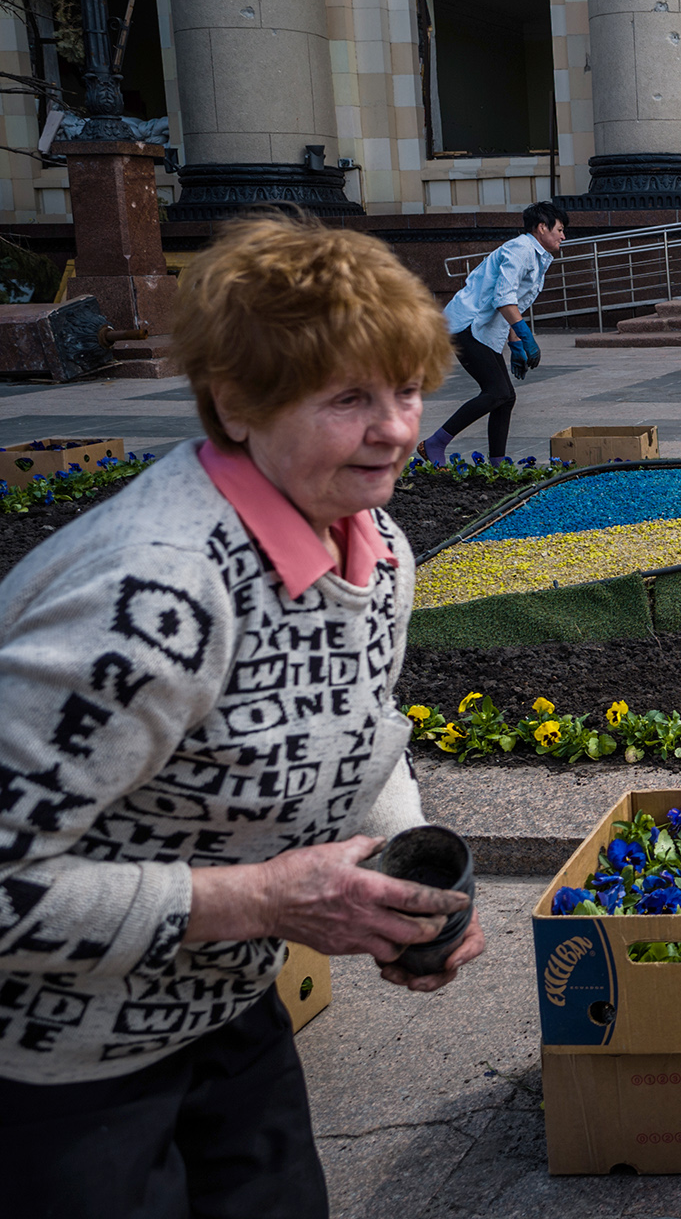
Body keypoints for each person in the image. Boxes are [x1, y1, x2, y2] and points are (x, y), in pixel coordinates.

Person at [0, 217, 485, 1217]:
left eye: (406, 385)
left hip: (224, 1014)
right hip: (54, 1075)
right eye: (349, 397)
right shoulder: (149, 597)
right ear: (235, 401)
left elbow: (364, 721)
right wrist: (264, 901)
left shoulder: (373, 542)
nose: (397, 426)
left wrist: (403, 877)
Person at [420, 199, 568, 466]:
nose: (563, 235)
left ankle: (498, 463)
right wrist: (525, 337)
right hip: (465, 325)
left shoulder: (536, 255)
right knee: (497, 392)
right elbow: (504, 298)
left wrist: (515, 345)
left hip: (482, 329)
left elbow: (511, 305)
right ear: (541, 227)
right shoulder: (521, 248)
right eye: (559, 229)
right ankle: (434, 443)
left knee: (506, 396)